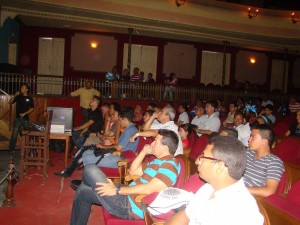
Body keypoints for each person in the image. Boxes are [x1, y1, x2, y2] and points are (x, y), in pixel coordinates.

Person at [70, 129, 181, 225]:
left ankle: (88, 182)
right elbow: (132, 170)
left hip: (130, 206)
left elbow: (149, 188)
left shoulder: (170, 165)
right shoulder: (157, 161)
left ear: (165, 148)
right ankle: (87, 184)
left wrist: (117, 190)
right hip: (126, 197)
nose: (151, 144)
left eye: (155, 142)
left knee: (90, 168)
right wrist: (143, 152)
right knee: (82, 191)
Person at [166, 136, 263, 225]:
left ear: (219, 166)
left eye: (203, 157)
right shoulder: (208, 188)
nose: (197, 161)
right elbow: (186, 215)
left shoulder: (243, 212)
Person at [55, 109, 139, 178]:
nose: (119, 122)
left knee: (87, 156)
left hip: (118, 157)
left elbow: (119, 147)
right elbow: (118, 144)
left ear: (125, 119)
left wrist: (103, 146)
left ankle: (87, 179)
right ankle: (75, 174)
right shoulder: (129, 129)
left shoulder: (130, 131)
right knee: (87, 151)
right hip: (115, 153)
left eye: (120, 120)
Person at [244, 124, 285, 197]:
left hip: (250, 197)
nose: (249, 140)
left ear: (265, 141)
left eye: (253, 137)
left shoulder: (274, 162)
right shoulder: (248, 153)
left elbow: (269, 191)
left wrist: (240, 189)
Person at [8, 83, 34, 152]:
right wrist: (15, 95)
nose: (21, 89)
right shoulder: (18, 96)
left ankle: (28, 149)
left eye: (23, 88)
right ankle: (11, 149)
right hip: (18, 119)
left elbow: (32, 108)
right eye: (21, 87)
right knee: (14, 135)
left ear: (27, 89)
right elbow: (10, 102)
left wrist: (25, 113)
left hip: (25, 119)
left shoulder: (29, 98)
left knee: (28, 134)